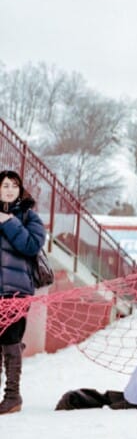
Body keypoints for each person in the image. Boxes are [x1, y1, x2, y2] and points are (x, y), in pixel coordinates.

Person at [0, 170, 46, 414]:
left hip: (16, 292)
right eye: (4, 185)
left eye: (13, 186)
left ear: (20, 190)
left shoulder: (29, 217)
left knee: (11, 343)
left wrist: (8, 221)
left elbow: (31, 245)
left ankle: (12, 396)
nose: (8, 189)